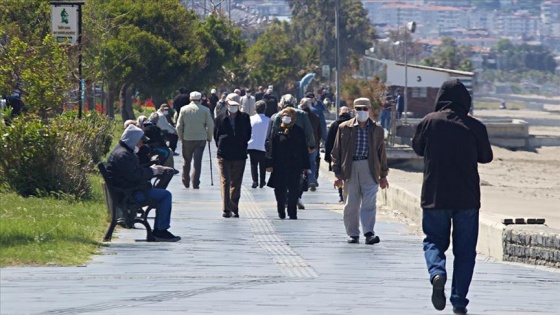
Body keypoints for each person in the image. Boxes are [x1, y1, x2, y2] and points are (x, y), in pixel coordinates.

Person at [412, 79, 493, 314]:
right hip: (466, 198)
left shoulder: (429, 122)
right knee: (465, 251)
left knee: (434, 241)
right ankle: (458, 301)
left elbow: (418, 148)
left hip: (434, 195)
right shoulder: (475, 126)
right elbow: (486, 157)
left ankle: (437, 273)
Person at [106, 125, 180, 242]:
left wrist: (153, 168)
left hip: (128, 191)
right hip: (129, 195)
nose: (141, 144)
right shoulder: (123, 155)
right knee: (165, 195)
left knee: (162, 193)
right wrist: (153, 171)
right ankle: (160, 230)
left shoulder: (122, 151)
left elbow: (133, 171)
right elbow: (135, 176)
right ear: (133, 140)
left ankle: (160, 228)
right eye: (140, 141)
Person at [331, 97, 389, 245]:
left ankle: (369, 232)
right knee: (352, 203)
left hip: (370, 167)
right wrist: (338, 174)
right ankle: (353, 234)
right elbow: (336, 152)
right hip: (350, 168)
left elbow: (381, 153)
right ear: (354, 110)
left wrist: (383, 175)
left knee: (369, 200)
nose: (362, 112)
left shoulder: (377, 129)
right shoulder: (344, 128)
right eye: (359, 109)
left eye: (365, 109)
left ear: (369, 110)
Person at [268, 94, 316, 210]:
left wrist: (270, 156)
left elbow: (272, 135)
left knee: (282, 180)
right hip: (298, 151)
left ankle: (286, 199)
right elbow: (309, 132)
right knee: (297, 178)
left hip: (281, 153)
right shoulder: (302, 114)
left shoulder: (277, 115)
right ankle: (295, 197)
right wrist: (311, 145)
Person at [266, 107, 310, 220]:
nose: (286, 117)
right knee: (279, 189)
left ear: (293, 117)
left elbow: (303, 149)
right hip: (279, 165)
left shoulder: (298, 130)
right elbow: (271, 148)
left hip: (295, 165)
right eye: (284, 115)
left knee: (294, 189)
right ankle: (281, 210)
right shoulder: (277, 130)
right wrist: (269, 163)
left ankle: (292, 212)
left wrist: (306, 166)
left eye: (289, 115)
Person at [214, 100, 252, 218]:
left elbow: (248, 134)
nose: (233, 108)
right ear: (227, 105)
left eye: (236, 106)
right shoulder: (220, 118)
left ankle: (234, 206)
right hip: (224, 153)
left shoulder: (244, 117)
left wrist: (242, 143)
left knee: (236, 181)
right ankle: (226, 208)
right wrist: (221, 144)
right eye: (231, 105)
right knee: (225, 180)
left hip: (239, 153)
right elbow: (216, 134)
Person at [176, 91, 214, 189]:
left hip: (187, 138)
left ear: (190, 99)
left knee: (186, 161)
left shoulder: (183, 109)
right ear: (200, 100)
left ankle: (185, 180)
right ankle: (195, 182)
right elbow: (210, 125)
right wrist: (209, 137)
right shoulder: (205, 110)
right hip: (200, 139)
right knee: (197, 162)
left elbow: (179, 126)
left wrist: (181, 138)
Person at [324, 106, 352, 203]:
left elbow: (329, 141)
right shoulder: (353, 124)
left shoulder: (335, 124)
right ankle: (349, 195)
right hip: (349, 155)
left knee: (339, 175)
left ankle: (341, 195)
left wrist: (328, 156)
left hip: (337, 155)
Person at [298, 98, 322, 192]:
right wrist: (317, 142)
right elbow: (319, 131)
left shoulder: (299, 117)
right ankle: (311, 180)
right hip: (313, 145)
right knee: (312, 163)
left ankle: (301, 181)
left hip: (301, 144)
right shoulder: (315, 117)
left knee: (300, 163)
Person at [248, 100, 270, 188]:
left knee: (253, 164)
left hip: (252, 145)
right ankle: (262, 181)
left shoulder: (250, 119)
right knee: (263, 164)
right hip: (263, 145)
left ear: (255, 109)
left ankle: (255, 181)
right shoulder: (268, 120)